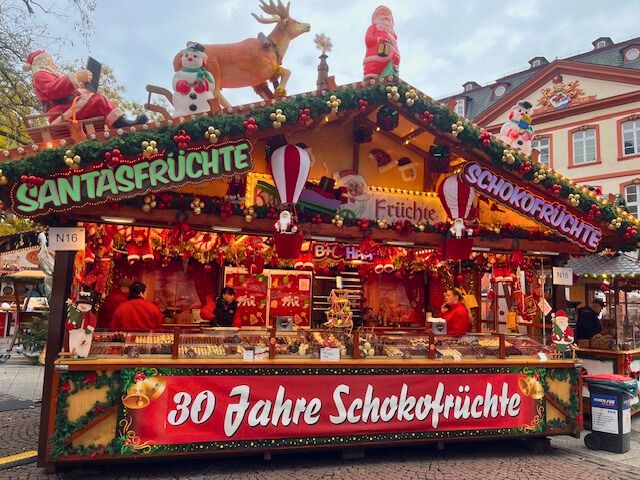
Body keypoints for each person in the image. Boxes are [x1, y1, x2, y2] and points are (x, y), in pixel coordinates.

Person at [23, 50, 147, 128]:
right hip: (61, 113)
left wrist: (83, 91)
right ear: (42, 62)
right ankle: (120, 123)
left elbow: (66, 92)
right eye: (50, 61)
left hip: (68, 109)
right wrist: (75, 77)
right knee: (98, 100)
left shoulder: (49, 74)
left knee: (93, 98)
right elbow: (54, 90)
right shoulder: (40, 75)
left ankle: (117, 122)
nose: (54, 64)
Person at [363, 6, 400, 79]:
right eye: (382, 13)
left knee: (390, 78)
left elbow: (396, 48)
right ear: (375, 18)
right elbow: (368, 40)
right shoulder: (373, 28)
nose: (385, 16)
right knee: (372, 79)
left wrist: (397, 57)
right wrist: (378, 39)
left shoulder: (393, 35)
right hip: (374, 63)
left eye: (387, 14)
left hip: (391, 62)